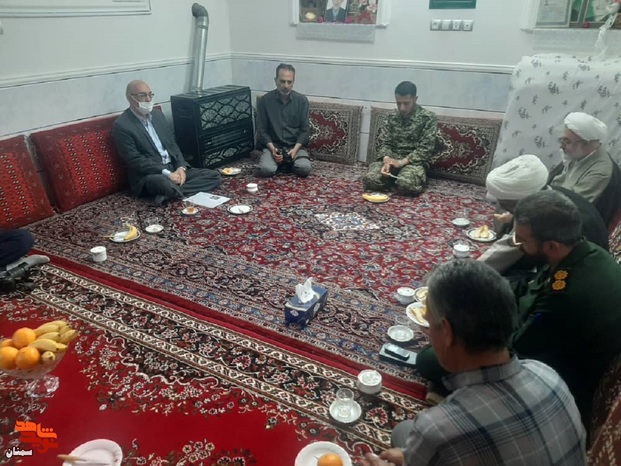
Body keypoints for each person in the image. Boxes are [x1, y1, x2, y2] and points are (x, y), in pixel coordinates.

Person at [417, 190, 621, 431]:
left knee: (429, 361)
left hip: (556, 378)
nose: (518, 245)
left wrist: (464, 330)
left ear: (551, 245)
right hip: (552, 339)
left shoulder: (567, 295)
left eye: (523, 240)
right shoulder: (582, 253)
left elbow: (514, 350)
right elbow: (529, 287)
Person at [361, 260, 586, 466]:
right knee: (407, 436)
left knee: (404, 432)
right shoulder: (547, 375)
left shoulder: (437, 430)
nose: (428, 335)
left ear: (447, 331)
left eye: (429, 325)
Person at [480, 154, 609, 275]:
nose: (503, 208)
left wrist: (473, 271)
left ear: (521, 201)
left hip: (578, 274)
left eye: (507, 205)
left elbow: (509, 248)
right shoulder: (550, 194)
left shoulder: (547, 216)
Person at [112, 80, 221, 205]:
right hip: (150, 175)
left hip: (172, 167)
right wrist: (167, 174)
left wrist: (181, 167)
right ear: (130, 98)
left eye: (150, 94)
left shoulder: (158, 116)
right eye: (142, 95)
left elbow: (172, 144)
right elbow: (134, 160)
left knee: (213, 175)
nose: (148, 99)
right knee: (162, 183)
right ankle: (171, 189)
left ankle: (170, 193)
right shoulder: (122, 125)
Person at [362, 81, 438, 196]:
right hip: (392, 159)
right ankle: (391, 178)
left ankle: (398, 180)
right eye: (399, 103)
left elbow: (425, 149)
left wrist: (401, 163)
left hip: (413, 162)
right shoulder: (391, 117)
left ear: (415, 99)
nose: (402, 108)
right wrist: (387, 160)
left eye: (406, 103)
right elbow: (386, 143)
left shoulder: (428, 118)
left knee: (406, 185)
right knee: (370, 179)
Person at [256, 64, 311, 178]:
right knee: (266, 170)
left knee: (304, 169)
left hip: (294, 146)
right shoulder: (265, 101)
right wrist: (273, 150)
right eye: (282, 81)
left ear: (293, 82)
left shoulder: (302, 101)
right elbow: (262, 130)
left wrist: (295, 150)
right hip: (274, 146)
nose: (286, 85)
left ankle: (287, 163)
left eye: (289, 82)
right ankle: (281, 163)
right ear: (275, 81)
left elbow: (305, 131)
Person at [549, 112, 614, 205]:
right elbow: (559, 181)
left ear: (585, 145)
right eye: (562, 140)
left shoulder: (599, 172)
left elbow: (570, 205)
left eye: (566, 142)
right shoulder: (578, 154)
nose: (561, 146)